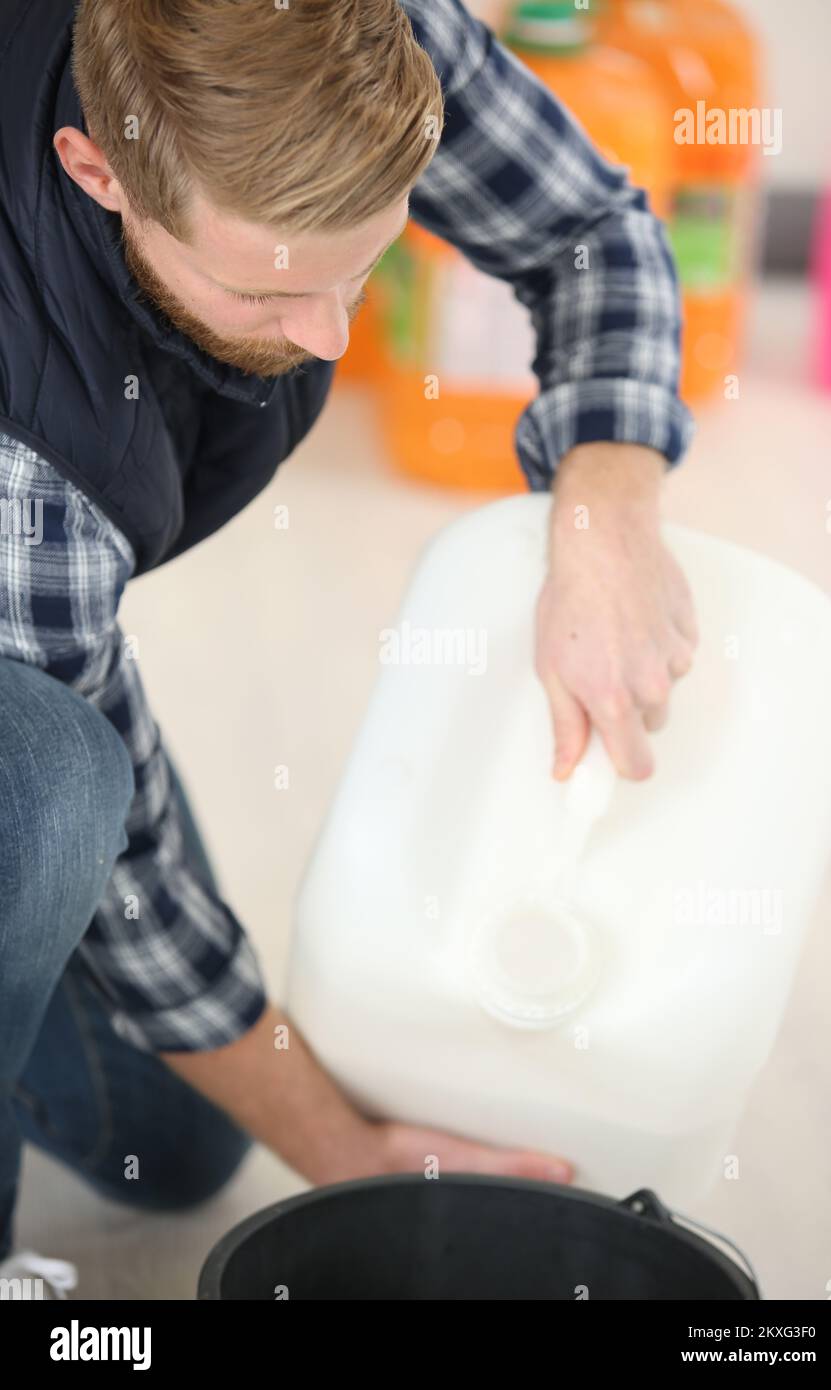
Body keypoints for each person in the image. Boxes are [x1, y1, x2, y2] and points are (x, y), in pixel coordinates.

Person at [0, 0, 698, 1296]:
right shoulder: (28, 465)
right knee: (42, 782)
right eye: (271, 286)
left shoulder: (349, 34)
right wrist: (341, 1147)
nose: (329, 334)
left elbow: (590, 225)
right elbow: (123, 838)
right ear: (95, 170)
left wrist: (605, 502)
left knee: (183, 1137)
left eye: (360, 266)